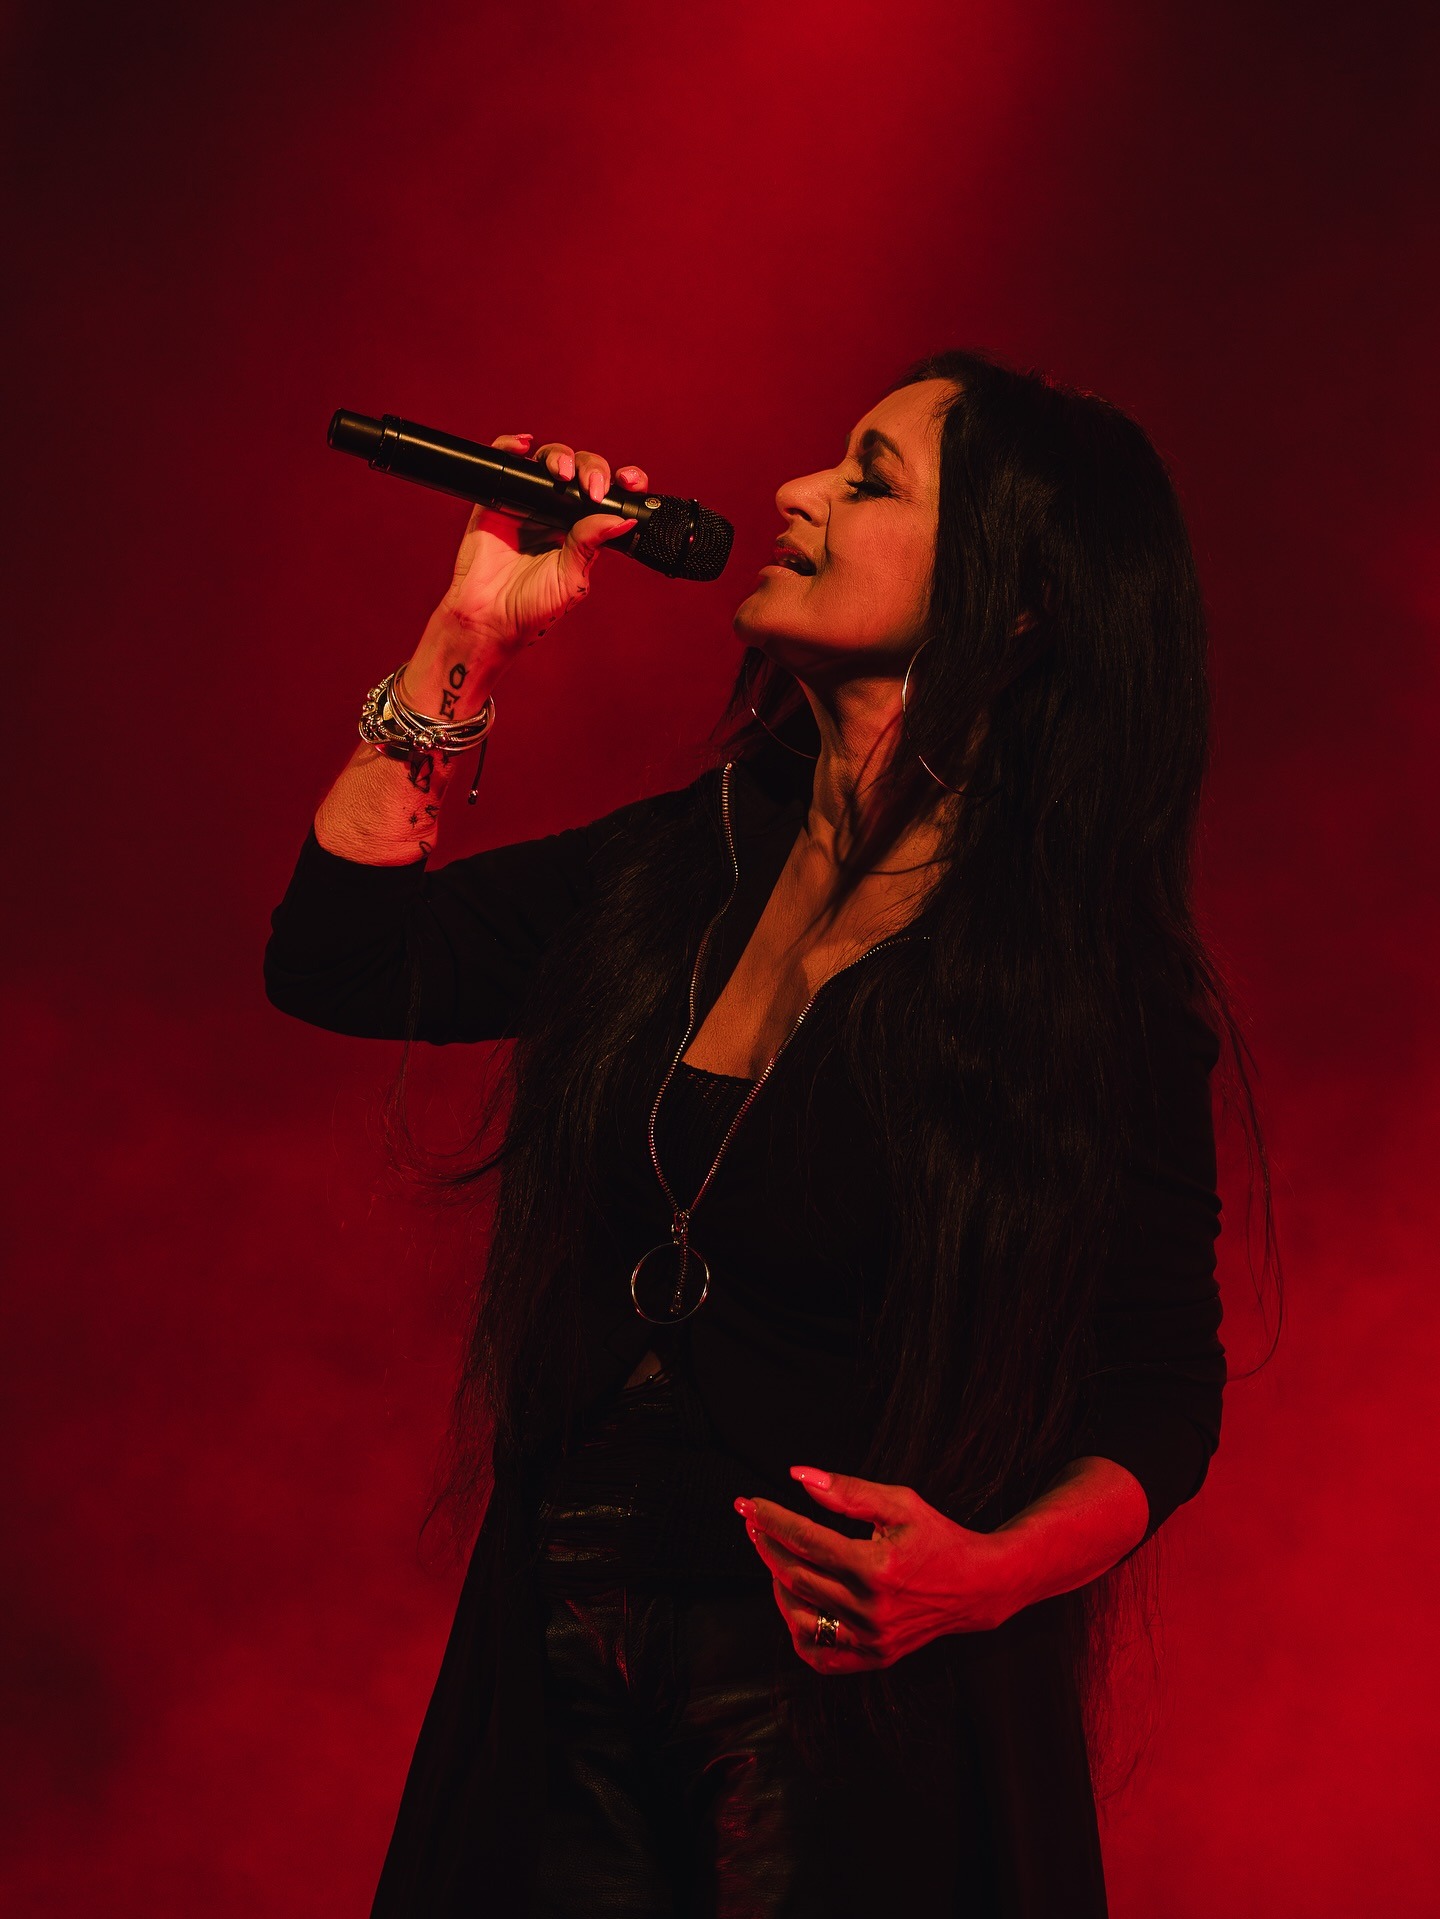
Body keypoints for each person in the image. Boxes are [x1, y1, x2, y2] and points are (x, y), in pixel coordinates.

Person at [264, 350, 1241, 1916]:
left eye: (869, 480)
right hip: (560, 1666)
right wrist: (470, 635)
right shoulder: (690, 861)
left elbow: (1159, 1388)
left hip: (841, 1715)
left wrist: (983, 1573)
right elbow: (343, 959)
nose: (793, 492)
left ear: (1016, 603)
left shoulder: (1079, 987)